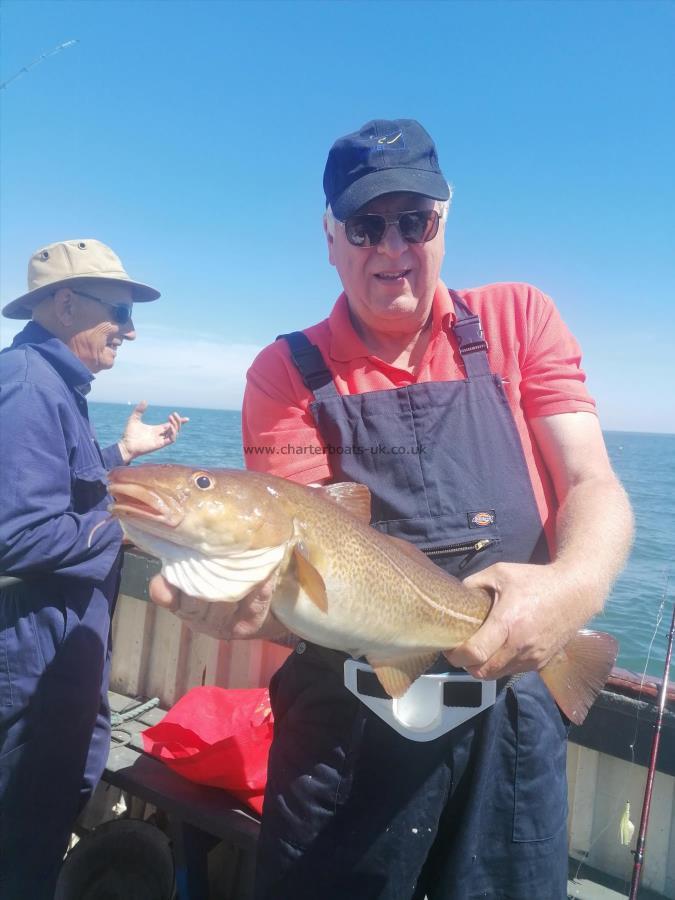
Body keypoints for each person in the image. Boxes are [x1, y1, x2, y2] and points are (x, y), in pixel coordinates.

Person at [150, 120, 634, 899]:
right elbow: (304, 553)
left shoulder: (519, 319)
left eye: (415, 221)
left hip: (509, 711)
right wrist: (254, 611)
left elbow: (592, 483)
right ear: (330, 238)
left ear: (444, 223)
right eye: (365, 226)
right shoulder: (285, 372)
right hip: (344, 725)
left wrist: (571, 591)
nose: (392, 248)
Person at [0, 238, 187, 899]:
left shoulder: (45, 381)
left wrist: (119, 454)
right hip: (34, 664)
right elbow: (15, 537)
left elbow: (51, 487)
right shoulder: (28, 389)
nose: (129, 331)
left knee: (45, 815)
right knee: (23, 836)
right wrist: (132, 516)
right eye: (119, 311)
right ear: (65, 302)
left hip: (54, 660)